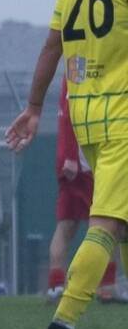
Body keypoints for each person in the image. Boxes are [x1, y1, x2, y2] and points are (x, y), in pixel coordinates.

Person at [7, 0, 128, 329]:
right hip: (124, 113)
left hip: (86, 115)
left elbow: (52, 45)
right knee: (106, 223)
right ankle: (63, 325)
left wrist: (34, 106)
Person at [45, 78, 118, 301]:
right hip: (81, 163)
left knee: (71, 224)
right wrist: (70, 156)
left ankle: (59, 285)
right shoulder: (79, 69)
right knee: (105, 223)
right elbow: (68, 113)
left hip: (82, 159)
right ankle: (106, 286)